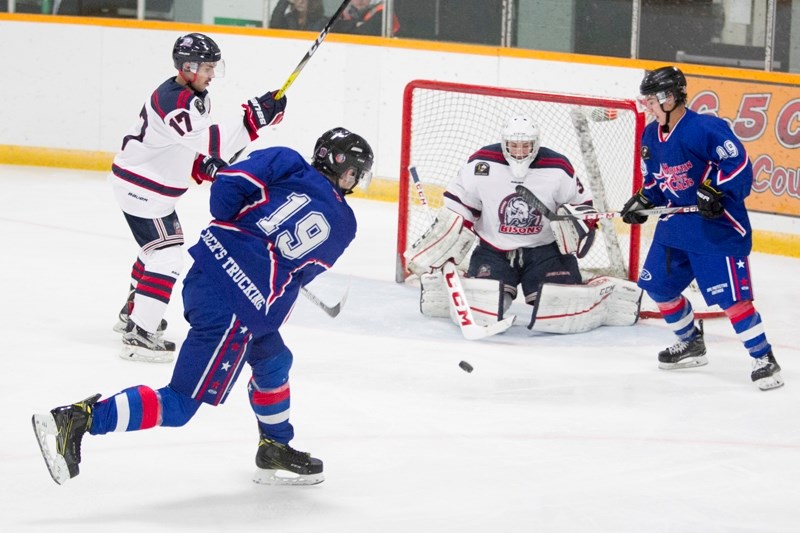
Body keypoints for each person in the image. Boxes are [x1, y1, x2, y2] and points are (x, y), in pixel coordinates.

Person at [32, 127, 375, 486]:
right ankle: (78, 419)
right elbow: (301, 276)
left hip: (206, 275)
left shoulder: (286, 159)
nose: (354, 179)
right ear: (341, 166)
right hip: (237, 308)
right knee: (179, 405)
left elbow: (226, 190)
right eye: (355, 171)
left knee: (274, 358)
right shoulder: (345, 224)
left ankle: (275, 445)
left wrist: (236, 224)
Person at [109, 33, 287, 363]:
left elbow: (191, 147)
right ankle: (139, 333)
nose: (212, 75)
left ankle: (134, 310)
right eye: (207, 68)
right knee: (167, 257)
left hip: (150, 189)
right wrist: (254, 118)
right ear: (188, 66)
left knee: (157, 251)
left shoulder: (194, 97)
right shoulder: (175, 100)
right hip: (142, 190)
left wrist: (210, 165)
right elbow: (209, 141)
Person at [620, 65, 783, 391]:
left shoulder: (706, 128)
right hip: (675, 226)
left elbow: (738, 164)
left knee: (733, 301)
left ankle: (764, 358)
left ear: (669, 98)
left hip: (715, 227)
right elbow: (656, 179)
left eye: (651, 100)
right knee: (659, 288)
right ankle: (691, 341)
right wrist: (643, 200)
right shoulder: (651, 134)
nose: (647, 106)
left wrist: (716, 188)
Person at [405, 116, 641, 334]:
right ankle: (460, 279)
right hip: (494, 250)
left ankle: (602, 289)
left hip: (545, 252)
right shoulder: (482, 163)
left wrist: (582, 224)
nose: (519, 152)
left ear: (535, 144)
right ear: (504, 143)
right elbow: (462, 205)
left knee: (556, 307)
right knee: (488, 307)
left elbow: (583, 206)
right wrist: (451, 233)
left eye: (525, 145)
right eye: (514, 146)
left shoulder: (557, 167)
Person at [333, 0, 399, 37]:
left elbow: (362, 34)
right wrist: (355, 24)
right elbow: (325, 25)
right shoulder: (346, 12)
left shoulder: (384, 12)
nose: (359, 1)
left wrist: (345, 26)